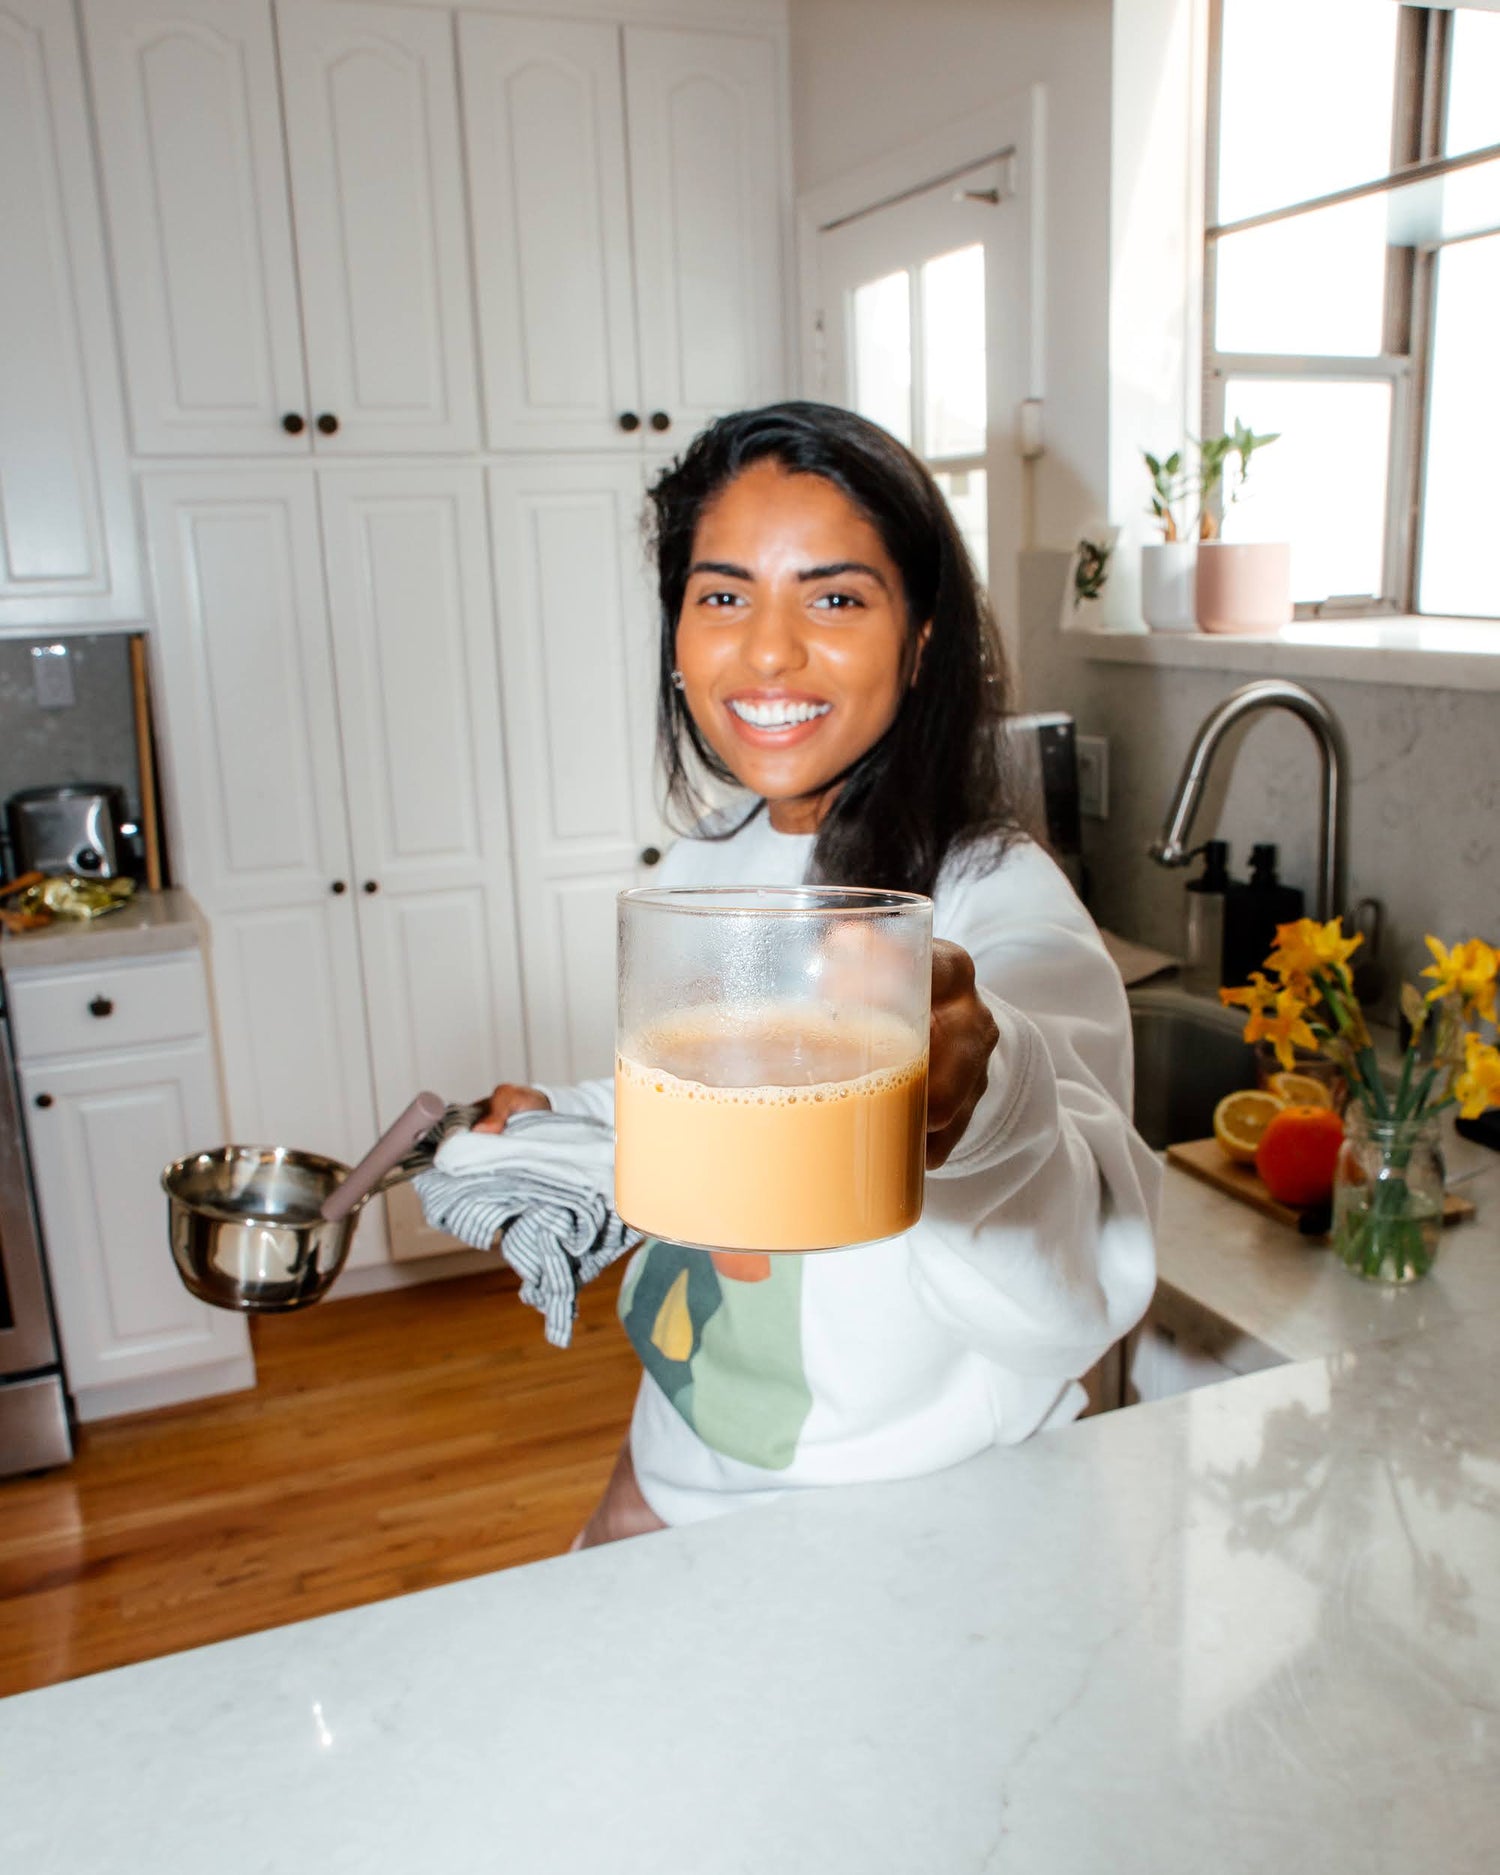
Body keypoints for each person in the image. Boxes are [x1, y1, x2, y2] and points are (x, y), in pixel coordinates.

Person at [478, 402, 1159, 1545]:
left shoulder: (999, 902)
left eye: (835, 597)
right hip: (683, 1448)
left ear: (924, 635)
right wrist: (568, 1120)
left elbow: (1070, 1290)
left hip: (907, 1521)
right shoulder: (706, 864)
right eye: (723, 594)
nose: (768, 649)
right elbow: (711, 1102)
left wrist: (980, 1101)